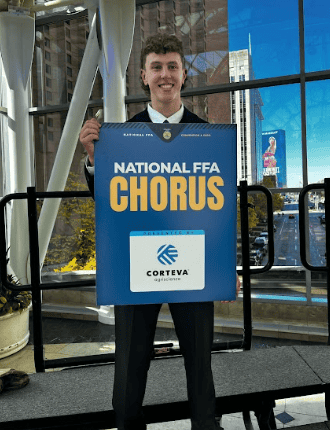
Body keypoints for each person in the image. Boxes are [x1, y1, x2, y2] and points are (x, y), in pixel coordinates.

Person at [80, 33, 240, 430]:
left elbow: (217, 209)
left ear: (184, 76)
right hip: (136, 267)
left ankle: (207, 427)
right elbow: (109, 203)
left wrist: (225, 265)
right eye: (157, 67)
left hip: (194, 265)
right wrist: (94, 161)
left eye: (172, 67)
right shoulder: (119, 136)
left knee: (200, 362)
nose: (165, 75)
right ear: (143, 76)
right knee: (131, 363)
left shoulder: (208, 136)